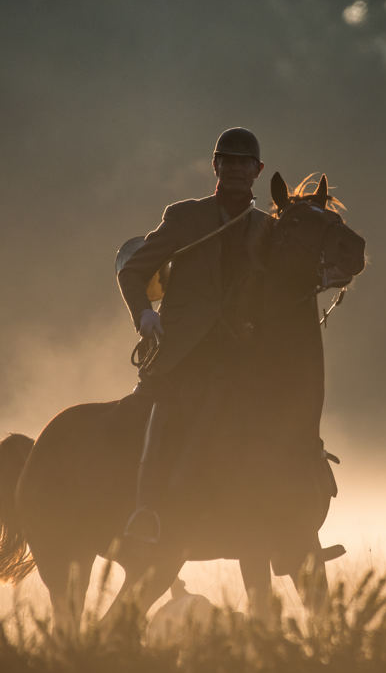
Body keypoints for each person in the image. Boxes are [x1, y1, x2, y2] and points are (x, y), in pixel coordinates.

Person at [114, 127, 273, 553]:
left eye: (245, 163)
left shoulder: (267, 228)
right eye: (229, 161)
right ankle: (145, 511)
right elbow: (132, 271)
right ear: (215, 165)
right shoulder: (184, 217)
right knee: (165, 416)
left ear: (258, 171)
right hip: (182, 352)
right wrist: (144, 313)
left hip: (243, 353)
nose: (237, 169)